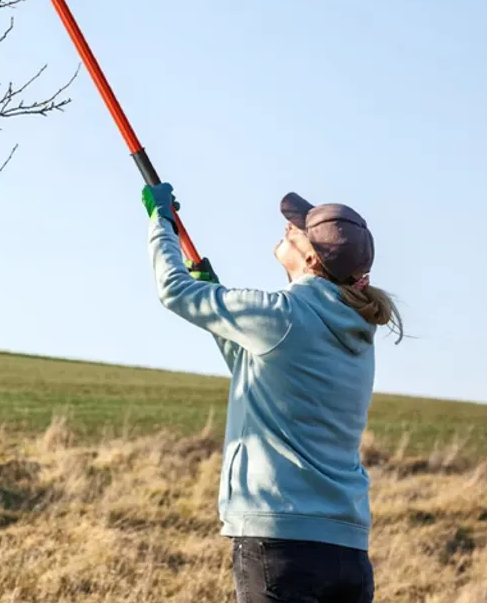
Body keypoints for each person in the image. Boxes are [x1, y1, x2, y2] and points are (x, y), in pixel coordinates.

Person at [142, 185, 402, 603]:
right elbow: (260, 367)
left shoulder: (281, 314)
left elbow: (174, 289)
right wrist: (220, 317)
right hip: (349, 551)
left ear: (312, 259)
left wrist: (161, 223)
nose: (288, 227)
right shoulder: (357, 333)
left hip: (281, 545)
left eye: (298, 228)